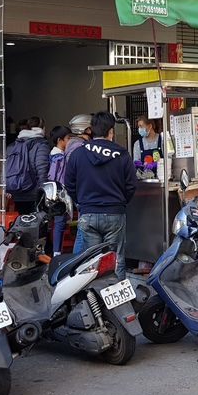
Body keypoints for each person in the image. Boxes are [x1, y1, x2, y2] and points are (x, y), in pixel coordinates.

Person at [63, 112, 137, 280]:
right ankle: (119, 301)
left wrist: (81, 202)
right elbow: (131, 185)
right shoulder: (122, 154)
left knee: (92, 262)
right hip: (114, 213)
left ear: (91, 131)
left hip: (87, 213)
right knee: (115, 259)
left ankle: (95, 301)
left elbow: (69, 184)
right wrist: (120, 202)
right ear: (110, 132)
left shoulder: (78, 154)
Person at [5, 115, 50, 215]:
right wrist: (44, 191)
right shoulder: (41, 145)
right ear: (42, 128)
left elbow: (5, 167)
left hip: (16, 190)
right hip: (33, 192)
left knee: (23, 221)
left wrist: (6, 187)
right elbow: (42, 168)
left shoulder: (14, 145)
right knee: (36, 224)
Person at [64, 114, 93, 253]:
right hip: (83, 193)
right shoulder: (79, 146)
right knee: (82, 233)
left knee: (83, 232)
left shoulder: (72, 143)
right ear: (85, 129)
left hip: (79, 192)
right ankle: (76, 264)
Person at [47, 125, 72, 255]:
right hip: (60, 194)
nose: (69, 141)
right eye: (68, 138)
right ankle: (56, 252)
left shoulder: (56, 155)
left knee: (59, 222)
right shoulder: (58, 157)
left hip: (60, 193)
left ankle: (57, 251)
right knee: (59, 222)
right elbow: (53, 176)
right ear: (59, 140)